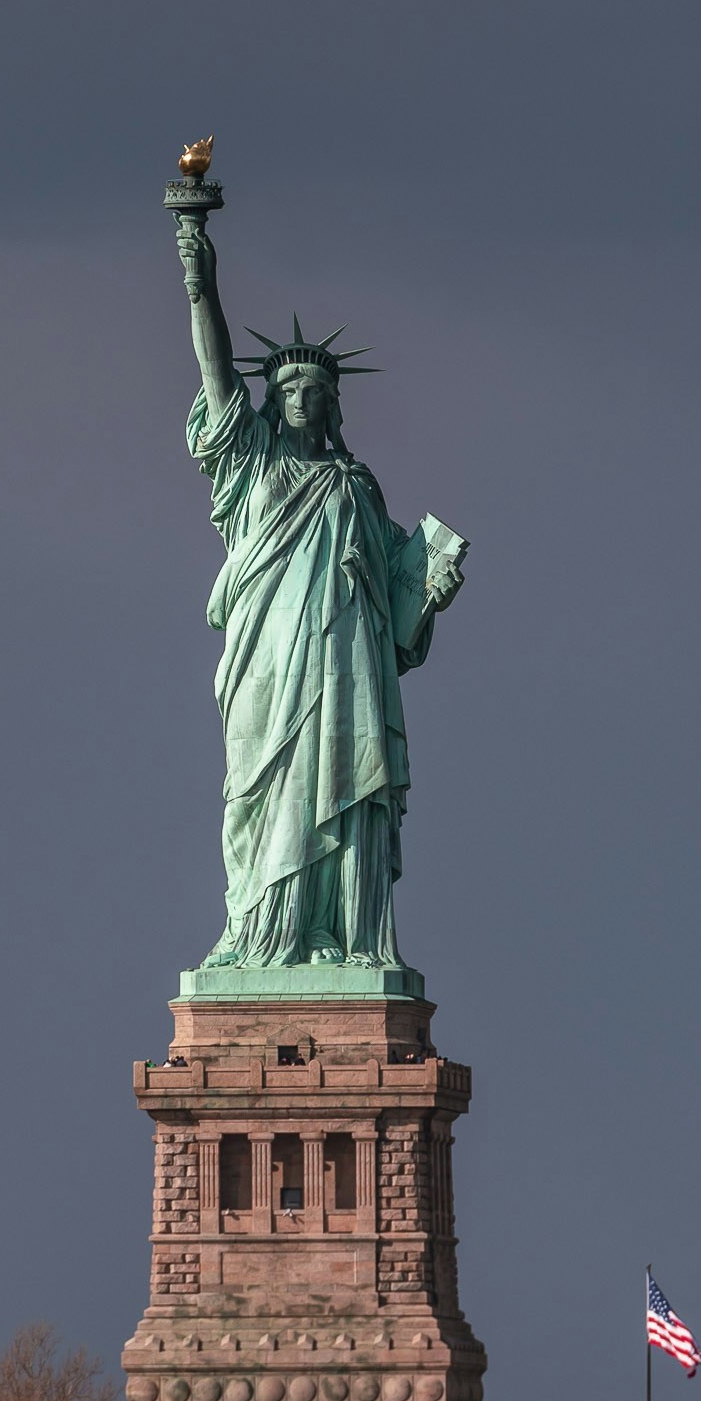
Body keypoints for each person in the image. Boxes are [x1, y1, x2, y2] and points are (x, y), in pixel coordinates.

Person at [172, 192, 465, 968]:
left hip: (346, 658)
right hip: (268, 656)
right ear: (269, 401)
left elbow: (394, 599)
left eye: (316, 390)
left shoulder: (354, 483)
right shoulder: (249, 465)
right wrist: (200, 276)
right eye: (289, 388)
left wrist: (427, 591)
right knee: (263, 788)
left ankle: (340, 934)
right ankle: (262, 934)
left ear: (332, 404)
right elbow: (212, 367)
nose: (303, 397)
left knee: (343, 778)